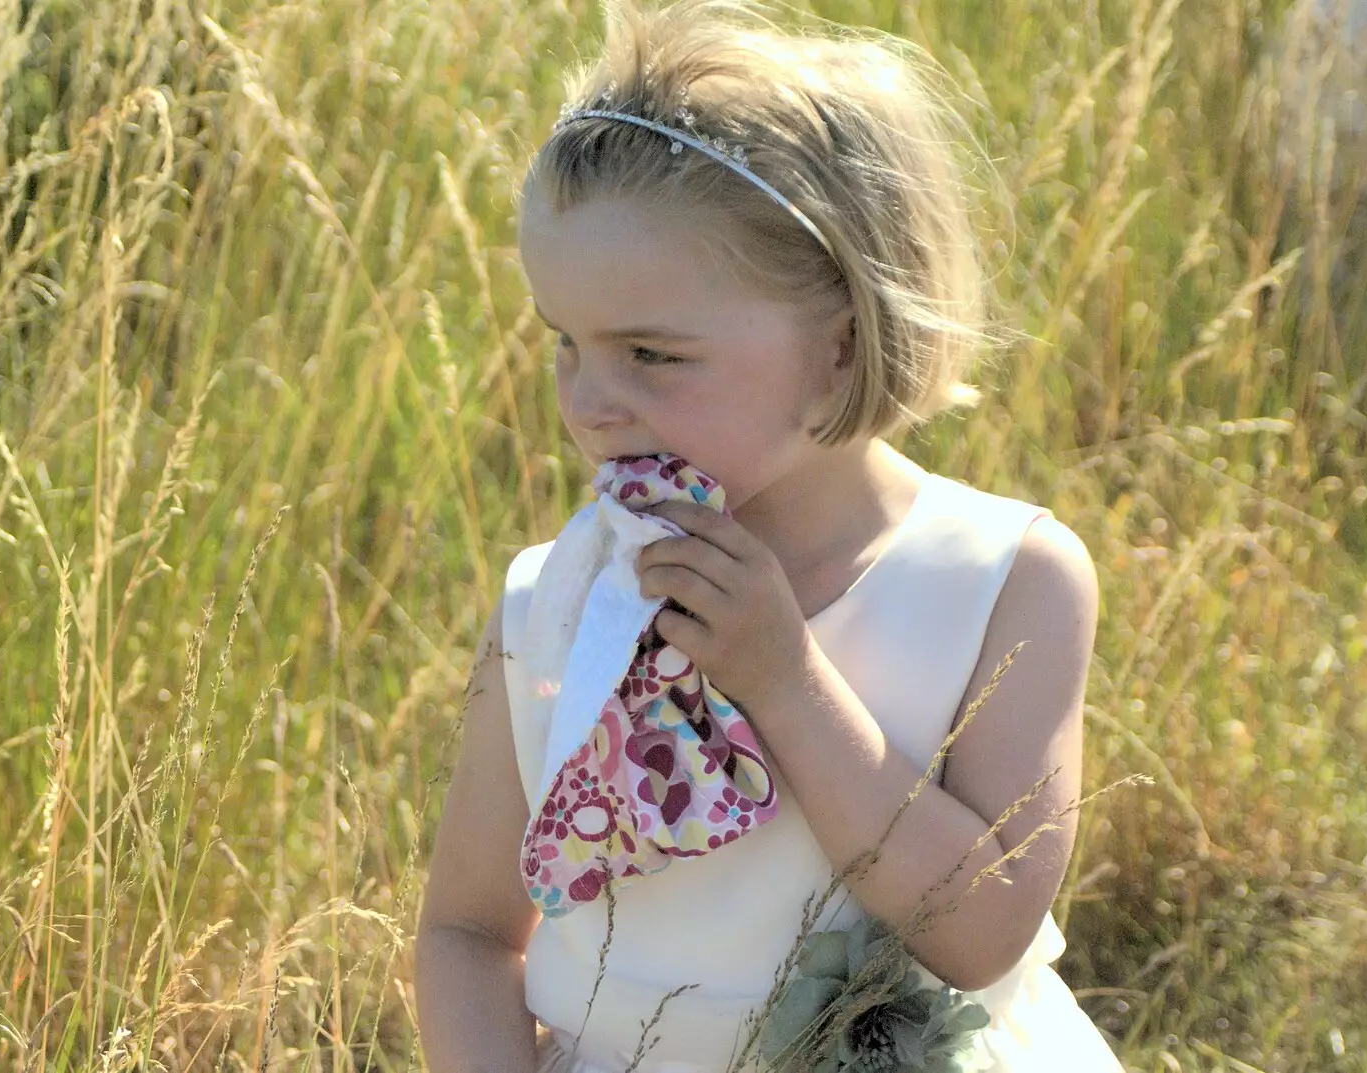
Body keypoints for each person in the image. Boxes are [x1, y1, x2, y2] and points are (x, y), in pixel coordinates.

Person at [414, 2, 1126, 1070]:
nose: (590, 404)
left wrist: (785, 679)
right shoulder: (554, 602)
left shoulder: (1002, 578)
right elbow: (465, 933)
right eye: (566, 343)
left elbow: (983, 933)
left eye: (652, 354)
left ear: (841, 345)